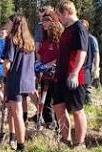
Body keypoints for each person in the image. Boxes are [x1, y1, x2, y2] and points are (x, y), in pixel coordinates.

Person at [54, 0, 88, 149]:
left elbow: (82, 52)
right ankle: (65, 139)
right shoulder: (66, 29)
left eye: (59, 15)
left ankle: (80, 143)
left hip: (73, 77)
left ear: (66, 13)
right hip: (60, 76)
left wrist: (74, 73)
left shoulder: (78, 27)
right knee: (58, 107)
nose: (59, 18)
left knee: (77, 110)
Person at [3, 13, 36, 151]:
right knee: (15, 111)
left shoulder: (11, 40)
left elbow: (7, 65)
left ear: (14, 24)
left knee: (16, 113)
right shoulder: (29, 41)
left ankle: (21, 145)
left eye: (8, 22)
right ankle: (13, 138)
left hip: (15, 81)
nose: (6, 24)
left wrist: (3, 80)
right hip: (27, 81)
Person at [35, 11, 63, 129]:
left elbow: (61, 57)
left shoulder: (59, 39)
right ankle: (49, 125)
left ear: (53, 22)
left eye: (46, 20)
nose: (43, 23)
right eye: (43, 21)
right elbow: (40, 54)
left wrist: (48, 65)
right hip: (45, 76)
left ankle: (59, 128)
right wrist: (38, 64)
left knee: (56, 102)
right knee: (44, 102)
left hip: (56, 76)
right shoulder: (45, 40)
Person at [80, 19, 100, 104]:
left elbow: (96, 54)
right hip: (79, 67)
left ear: (87, 28)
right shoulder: (78, 38)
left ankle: (89, 106)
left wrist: (96, 68)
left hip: (88, 68)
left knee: (88, 91)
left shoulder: (92, 39)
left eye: (83, 27)